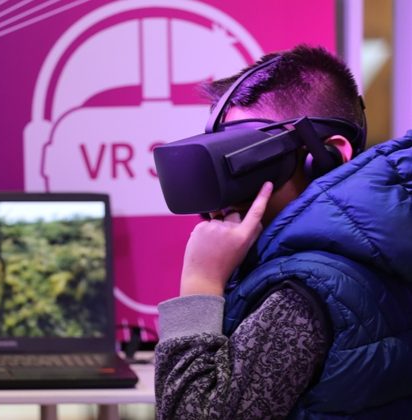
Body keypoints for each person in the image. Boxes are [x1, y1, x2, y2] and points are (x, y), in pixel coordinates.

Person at [154, 44, 412, 419]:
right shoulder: (374, 249)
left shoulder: (304, 290)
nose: (229, 180)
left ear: (326, 156)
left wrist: (200, 282)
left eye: (242, 156)